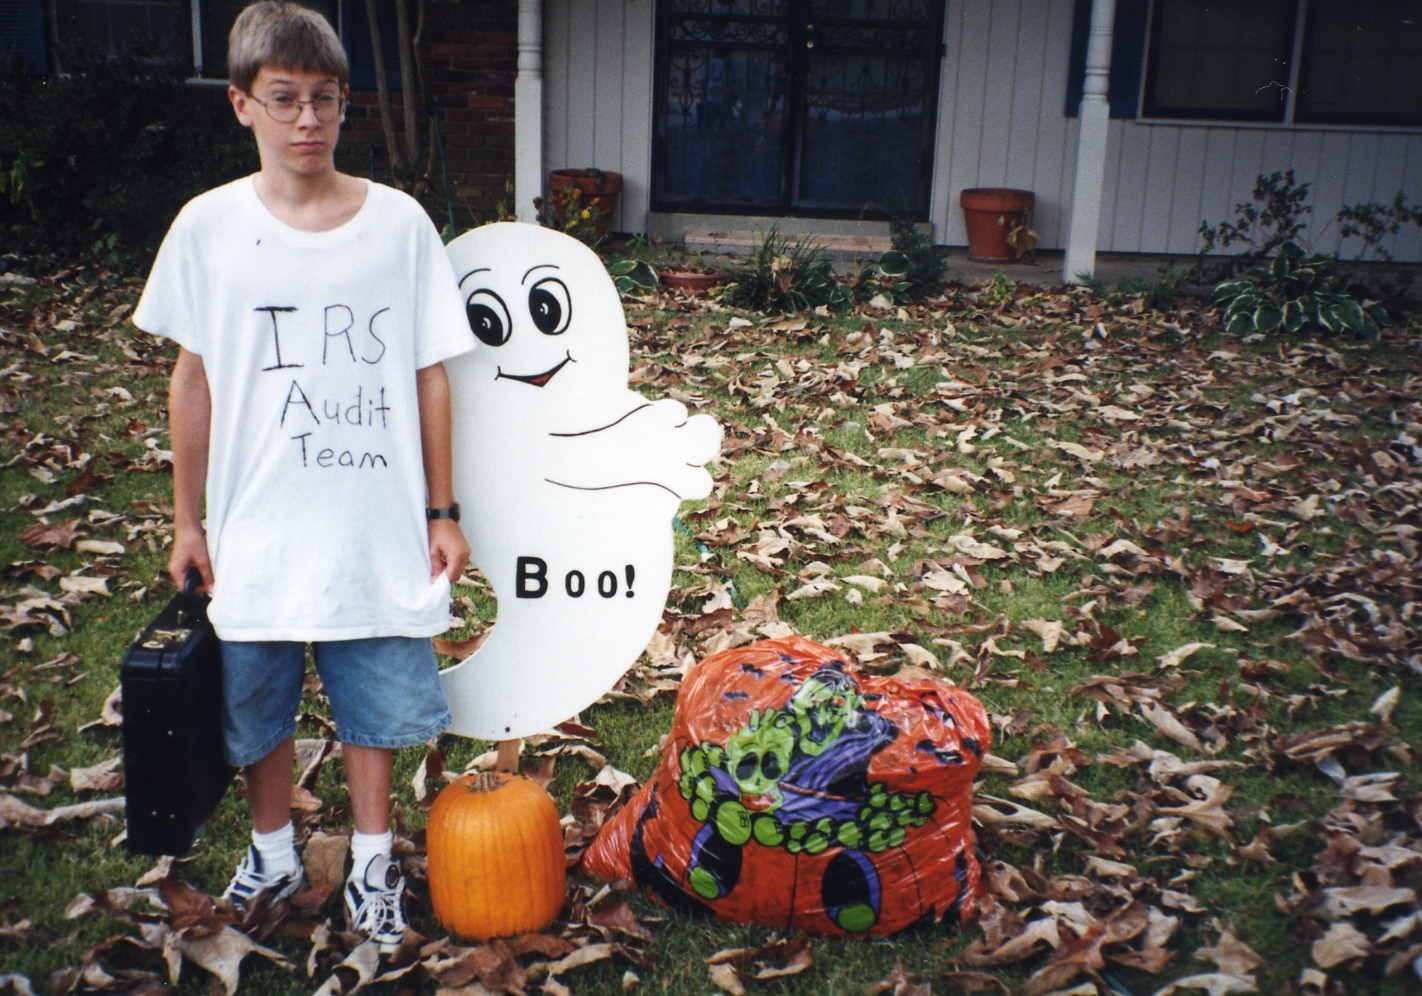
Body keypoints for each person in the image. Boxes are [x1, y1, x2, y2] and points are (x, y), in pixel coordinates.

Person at [132, 1, 472, 952]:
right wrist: (188, 521)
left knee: (374, 700)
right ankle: (273, 851)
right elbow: (193, 380)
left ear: (346, 102)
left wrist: (442, 509)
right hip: (259, 524)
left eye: (325, 97)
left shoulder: (399, 225)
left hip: (373, 520)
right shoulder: (207, 227)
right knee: (255, 701)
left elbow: (429, 372)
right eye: (283, 98)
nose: (308, 119)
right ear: (242, 104)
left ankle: (372, 860)